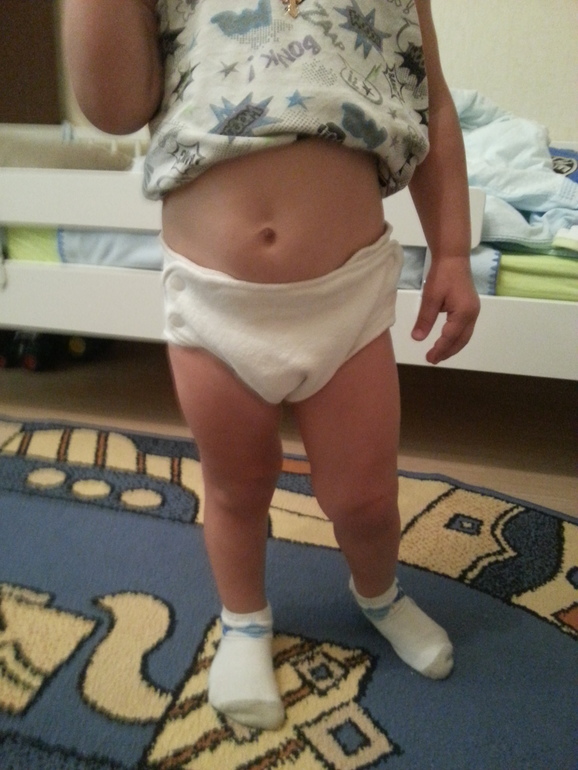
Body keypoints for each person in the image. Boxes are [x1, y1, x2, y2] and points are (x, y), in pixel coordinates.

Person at [63, 0, 480, 730]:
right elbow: (114, 107)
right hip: (214, 299)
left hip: (346, 296)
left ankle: (379, 595)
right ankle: (245, 621)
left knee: (365, 496)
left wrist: (451, 251)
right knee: (236, 485)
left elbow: (432, 102)